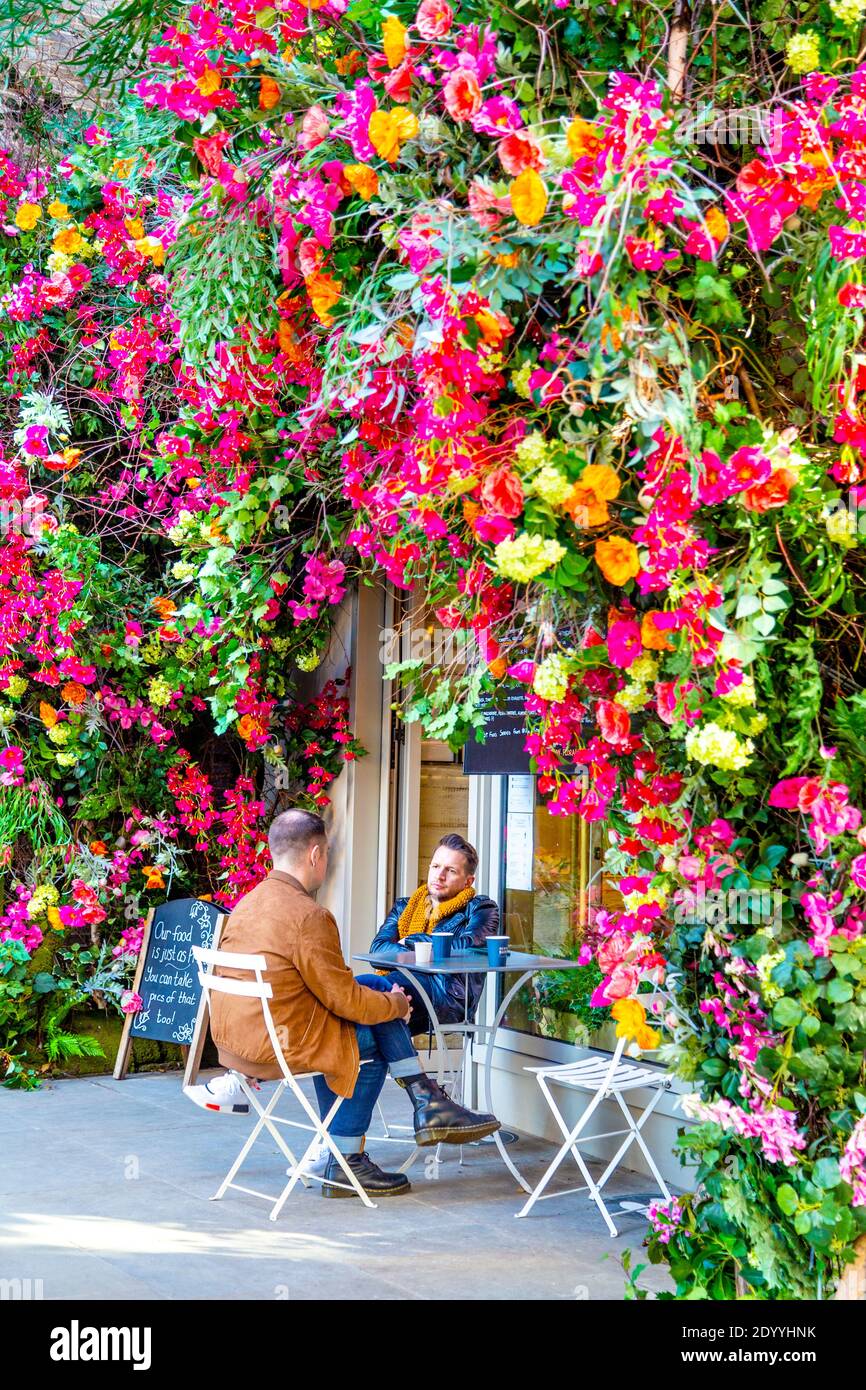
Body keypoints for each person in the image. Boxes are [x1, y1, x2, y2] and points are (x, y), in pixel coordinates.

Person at [187, 808, 499, 1199]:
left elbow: (346, 987)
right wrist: (395, 1007)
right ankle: (348, 1158)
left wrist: (382, 997)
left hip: (237, 1044)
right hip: (282, 1047)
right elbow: (345, 1001)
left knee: (370, 985)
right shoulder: (309, 916)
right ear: (316, 855)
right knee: (369, 1041)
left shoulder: (250, 903)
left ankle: (421, 1101)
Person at [368, 833, 500, 1034]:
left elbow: (466, 948)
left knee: (380, 996)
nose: (439, 875)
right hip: (404, 985)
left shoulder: (481, 908)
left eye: (451, 870)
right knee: (374, 994)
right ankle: (405, 1063)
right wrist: (423, 950)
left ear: (468, 881)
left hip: (447, 995)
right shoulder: (405, 907)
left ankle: (393, 1063)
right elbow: (377, 952)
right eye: (436, 866)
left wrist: (410, 941)